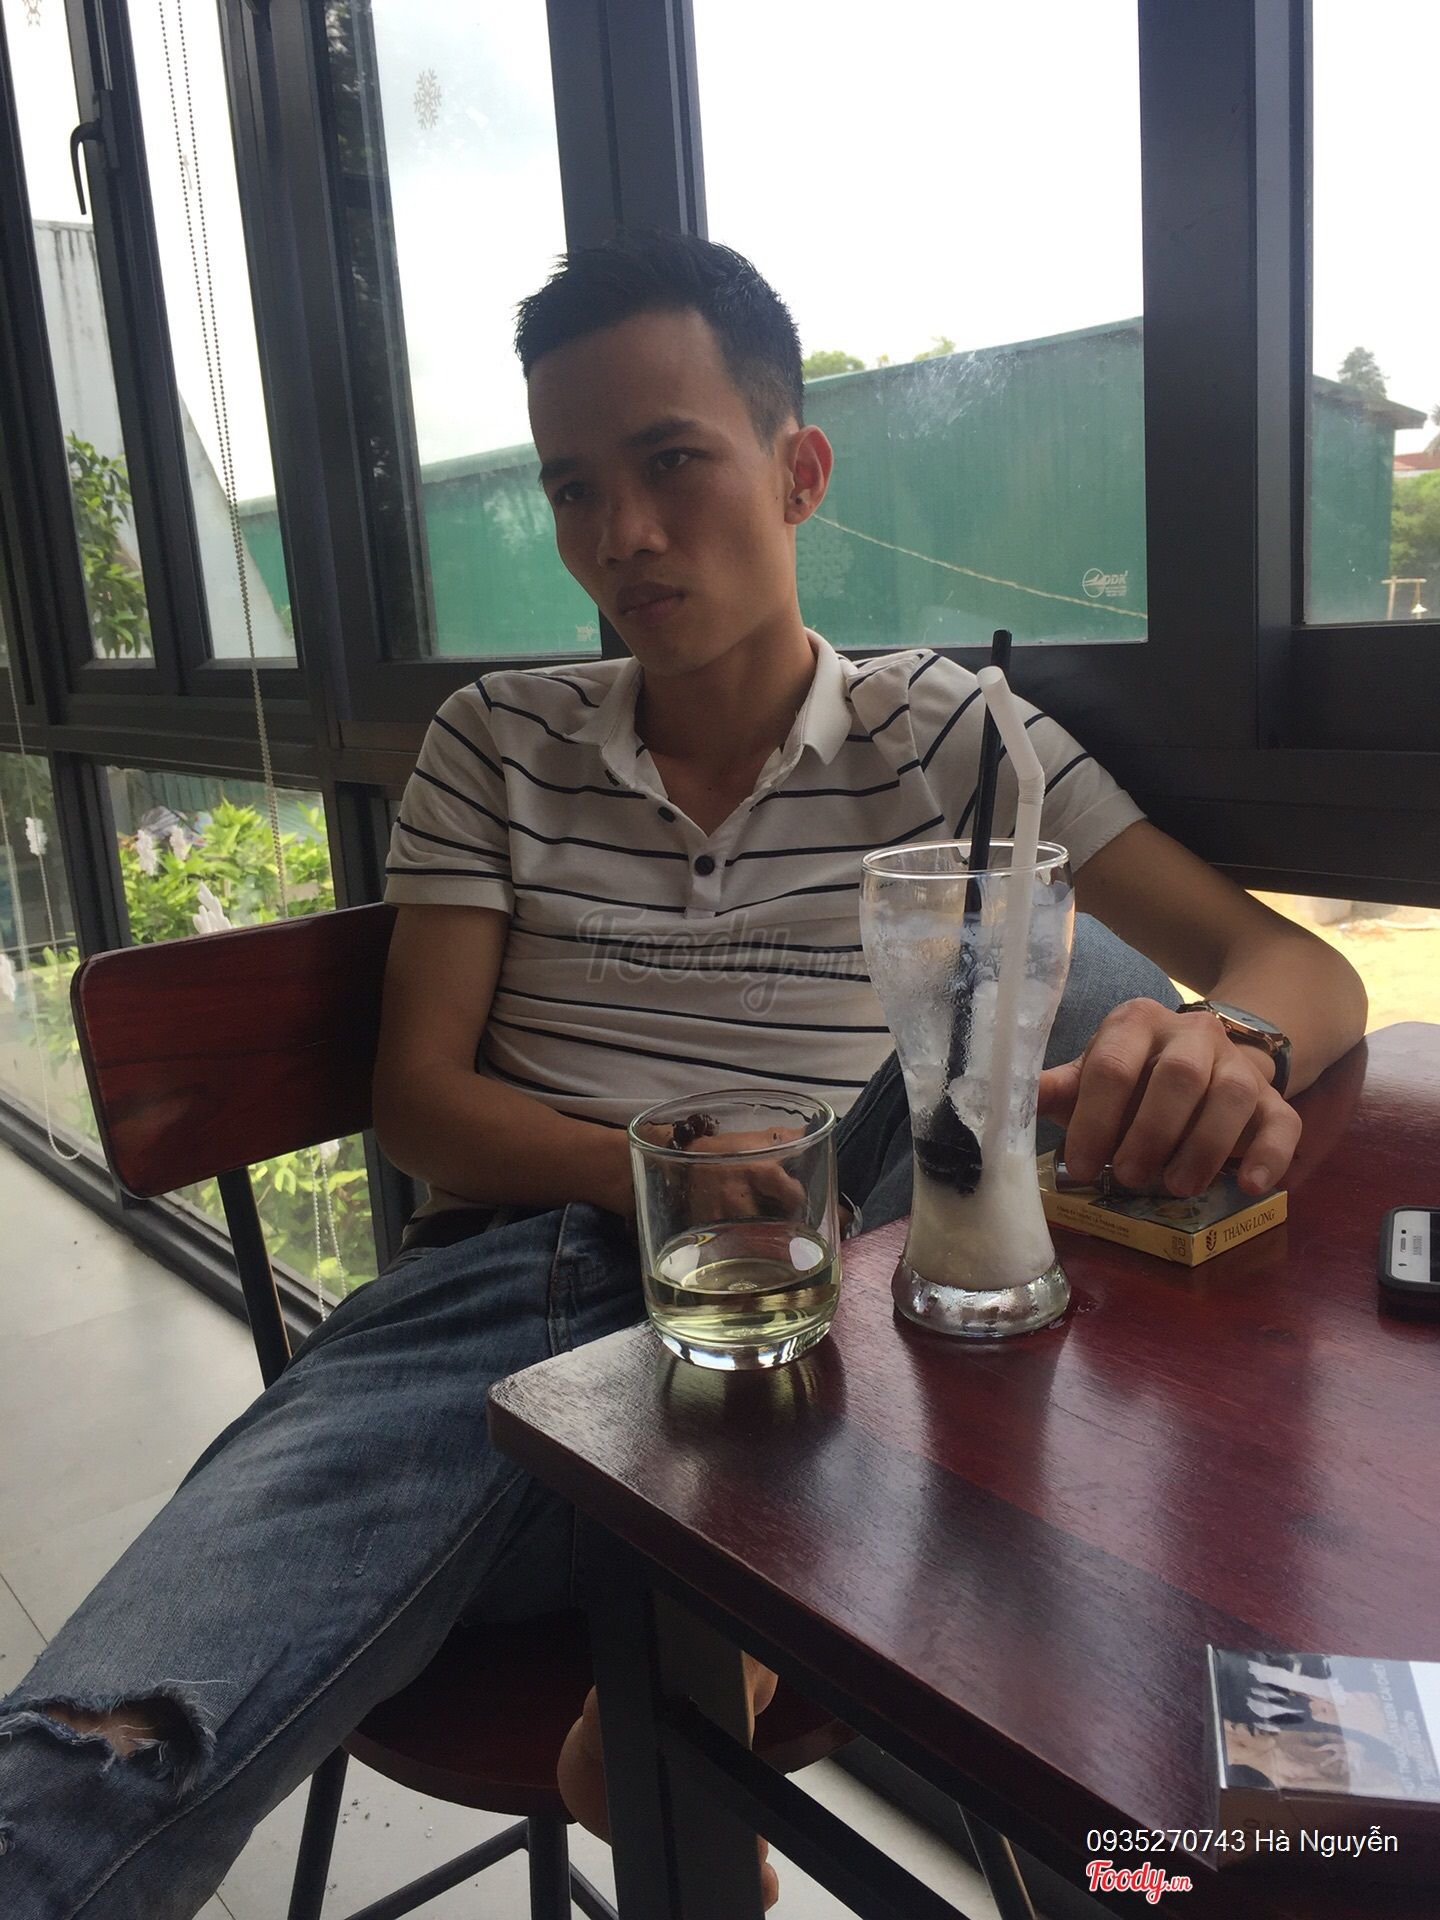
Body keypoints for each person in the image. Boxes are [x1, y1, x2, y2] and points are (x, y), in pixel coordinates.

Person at [0, 233, 1365, 1918]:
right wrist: (663, 1175)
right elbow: (421, 1103)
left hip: (841, 1320)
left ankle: (719, 1627)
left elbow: (1293, 968)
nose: (623, 535)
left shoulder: (949, 734)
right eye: (575, 488)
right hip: (506, 1326)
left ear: (799, 473)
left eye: (671, 463)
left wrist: (1231, 1040)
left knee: (1028, 1024)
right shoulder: (495, 744)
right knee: (85, 1754)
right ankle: (722, 1616)